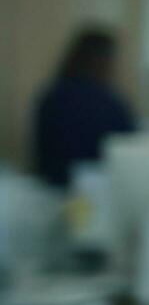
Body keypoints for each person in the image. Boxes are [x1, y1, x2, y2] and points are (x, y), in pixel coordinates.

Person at [31, 26, 138, 189]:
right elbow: (130, 151)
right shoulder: (111, 104)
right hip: (96, 193)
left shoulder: (50, 96)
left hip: (49, 189)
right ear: (105, 61)